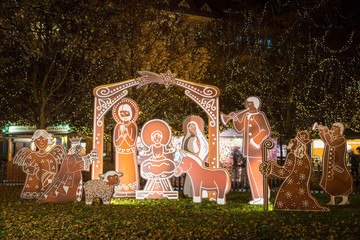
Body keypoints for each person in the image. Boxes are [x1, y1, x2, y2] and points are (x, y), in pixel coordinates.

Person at [260, 131, 328, 211]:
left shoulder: (292, 155)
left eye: (293, 141)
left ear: (297, 144)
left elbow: (285, 172)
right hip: (301, 189)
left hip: (291, 188)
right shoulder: (304, 157)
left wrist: (270, 168)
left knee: (285, 202)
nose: (290, 142)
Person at [221, 96, 271, 205]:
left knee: (258, 174)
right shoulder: (247, 116)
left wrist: (255, 141)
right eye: (247, 103)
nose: (247, 105)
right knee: (251, 174)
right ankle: (257, 197)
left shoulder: (260, 115)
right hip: (249, 151)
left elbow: (265, 130)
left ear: (255, 105)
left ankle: (263, 196)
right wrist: (234, 118)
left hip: (257, 150)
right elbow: (239, 128)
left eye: (250, 103)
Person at [38, 137, 98, 202]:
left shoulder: (75, 156)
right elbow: (72, 167)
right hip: (69, 178)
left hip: (75, 177)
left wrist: (89, 157)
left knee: (75, 188)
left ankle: (75, 198)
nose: (84, 151)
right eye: (82, 150)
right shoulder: (69, 157)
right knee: (68, 190)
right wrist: (89, 158)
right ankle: (71, 198)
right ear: (78, 151)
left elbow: (80, 160)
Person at [13, 130, 66, 199]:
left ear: (48, 141)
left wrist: (47, 174)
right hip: (32, 183)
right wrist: (29, 169)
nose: (41, 142)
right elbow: (26, 167)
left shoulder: (51, 157)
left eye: (44, 139)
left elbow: (53, 171)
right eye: (38, 139)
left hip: (47, 182)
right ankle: (33, 194)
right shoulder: (31, 155)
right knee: (33, 188)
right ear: (35, 141)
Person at [314, 122, 353, 205]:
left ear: (340, 130)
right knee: (330, 182)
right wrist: (322, 131)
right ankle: (332, 200)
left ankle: (345, 200)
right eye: (332, 127)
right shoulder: (332, 138)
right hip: (330, 166)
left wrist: (325, 131)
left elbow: (331, 143)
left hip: (337, 166)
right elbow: (326, 140)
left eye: (335, 128)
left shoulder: (341, 139)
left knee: (340, 182)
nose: (333, 128)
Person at [112, 99, 140, 198]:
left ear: (131, 113)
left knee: (131, 170)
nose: (124, 115)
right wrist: (121, 135)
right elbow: (116, 142)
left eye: (127, 112)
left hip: (130, 153)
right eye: (122, 113)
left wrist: (126, 134)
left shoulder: (133, 125)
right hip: (120, 153)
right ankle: (121, 188)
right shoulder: (118, 126)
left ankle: (132, 188)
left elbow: (132, 142)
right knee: (121, 170)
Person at [181, 116, 209, 197]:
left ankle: (198, 192)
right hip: (189, 160)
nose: (190, 128)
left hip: (197, 160)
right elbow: (184, 148)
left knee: (197, 177)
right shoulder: (186, 138)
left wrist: (199, 156)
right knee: (189, 176)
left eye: (192, 126)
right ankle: (188, 192)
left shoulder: (199, 138)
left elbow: (205, 147)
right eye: (189, 126)